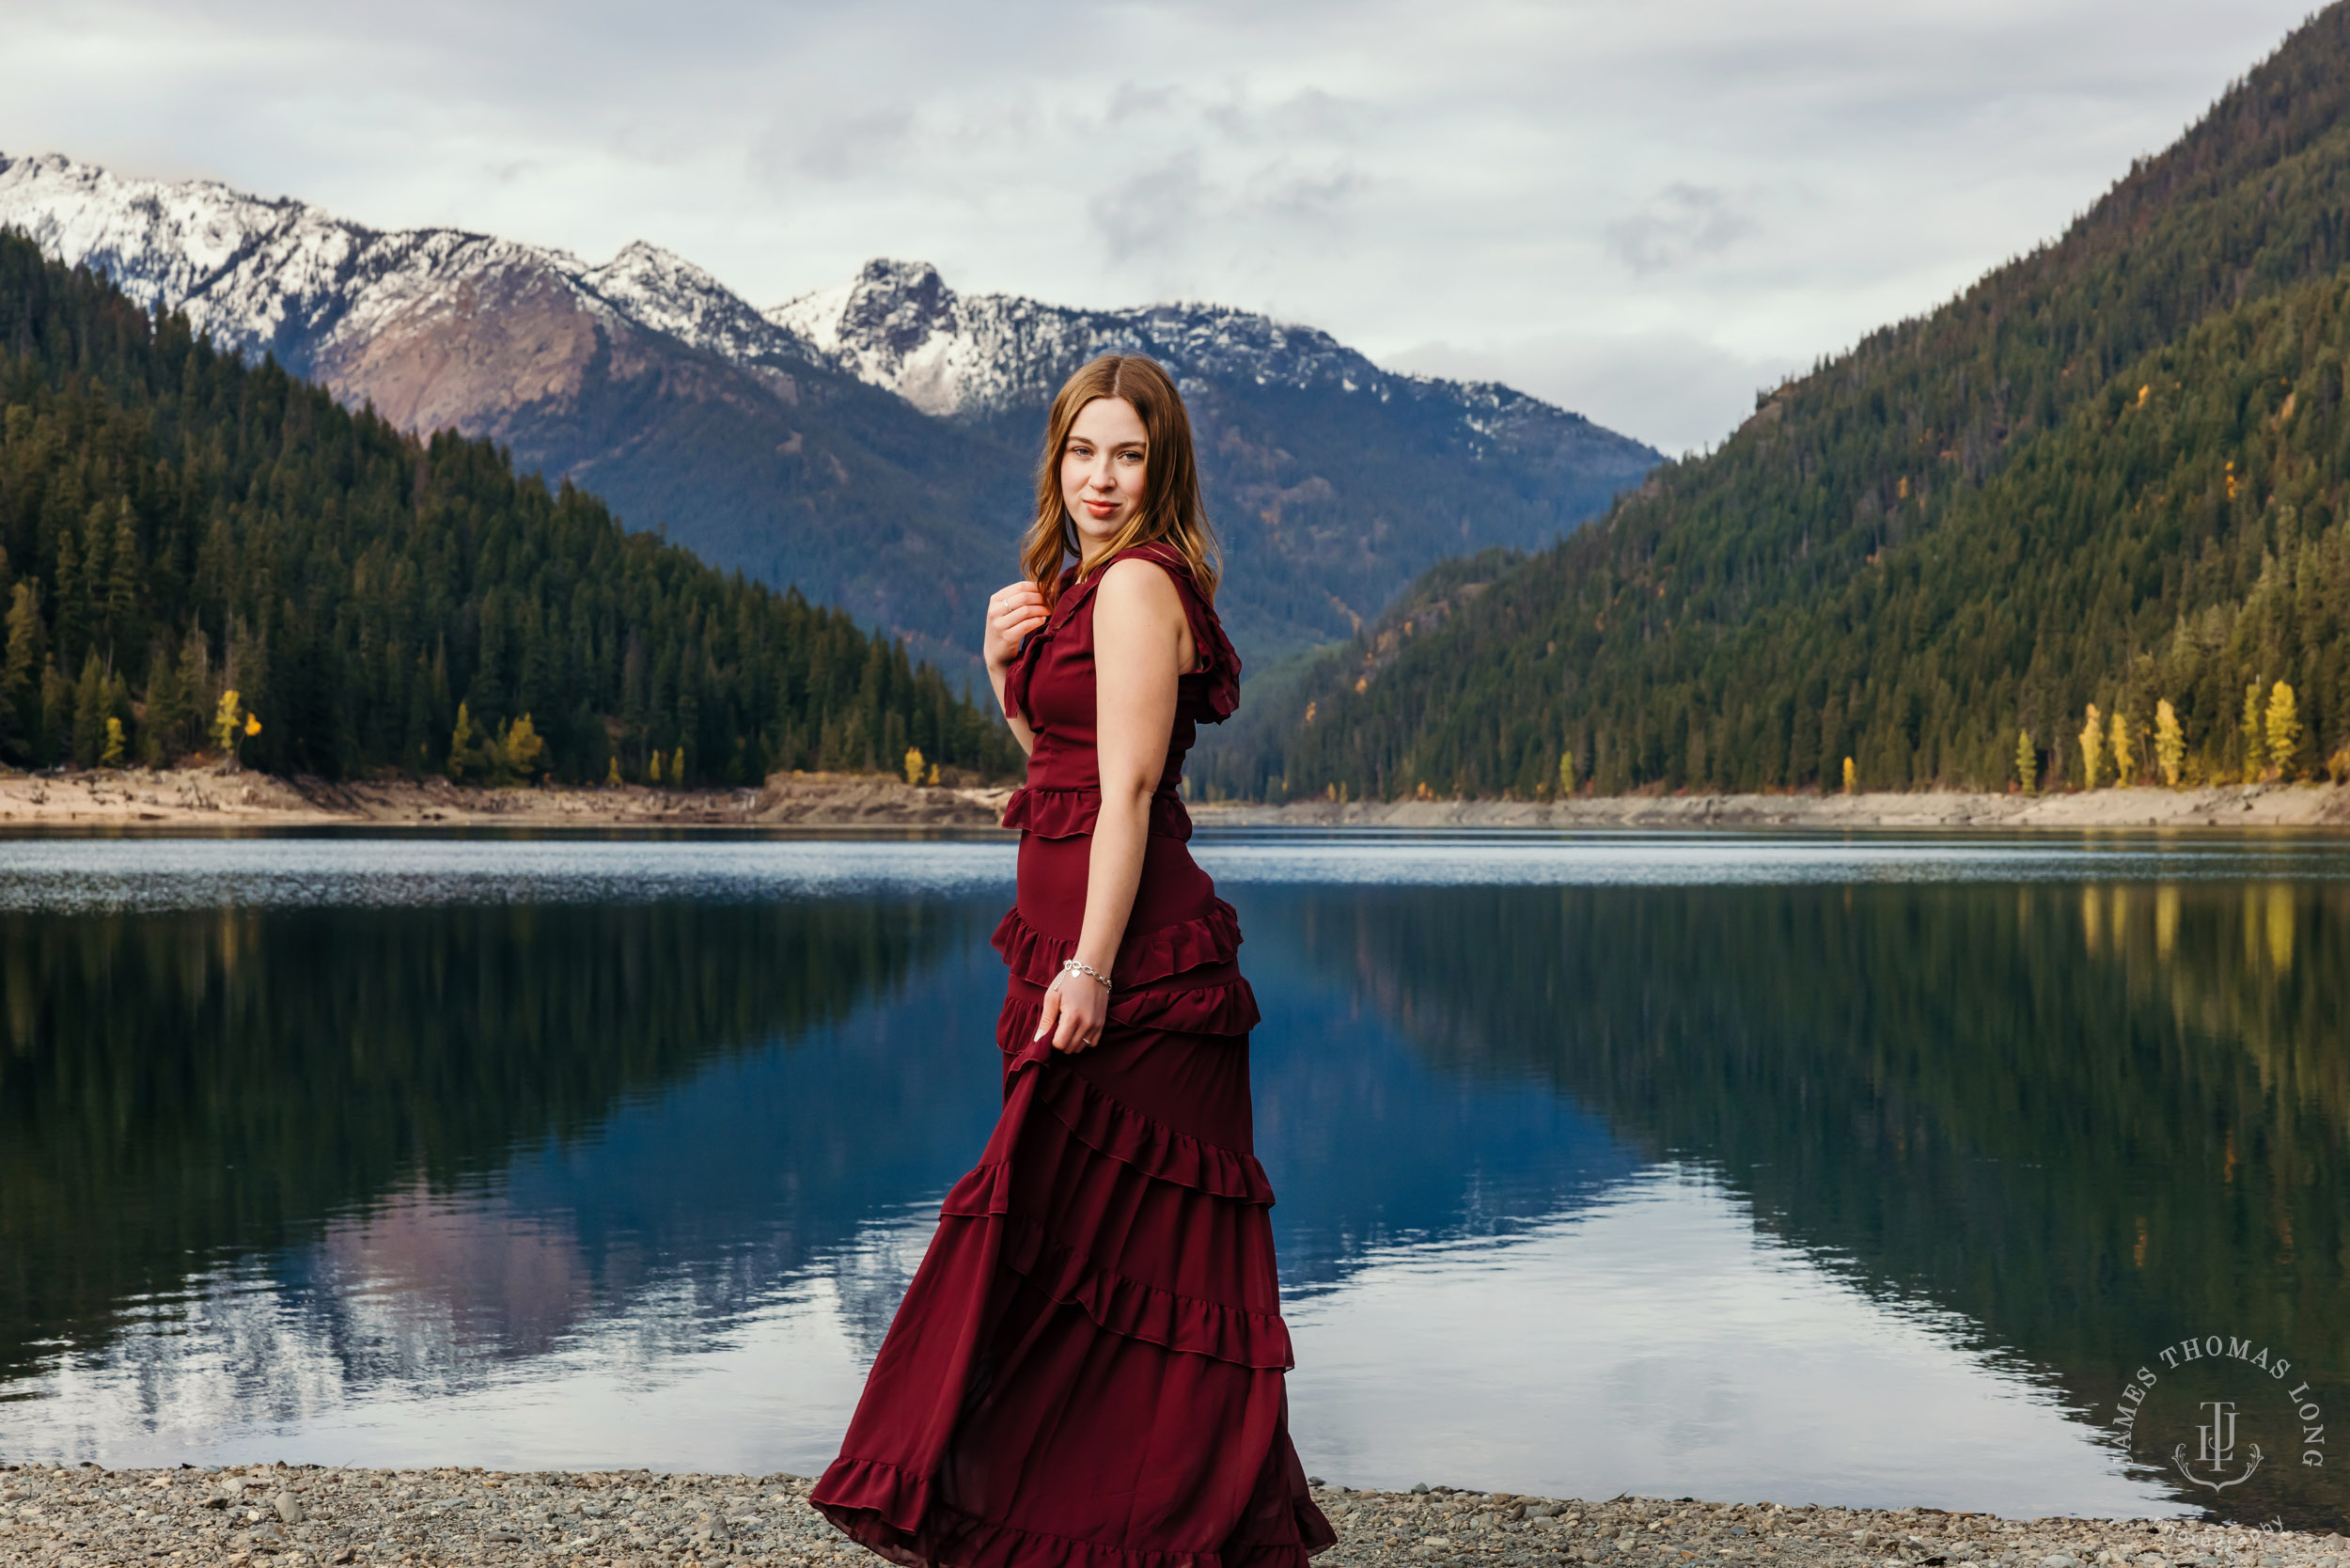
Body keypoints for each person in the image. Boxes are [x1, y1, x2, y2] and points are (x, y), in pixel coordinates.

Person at [810, 353, 1334, 1568]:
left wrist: (1093, 969)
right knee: (1070, 1249)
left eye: (1129, 455)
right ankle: (1099, 1519)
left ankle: (1161, 1518)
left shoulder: (1144, 588)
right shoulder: (1075, 588)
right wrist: (1005, 674)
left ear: (1163, 470)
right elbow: (1054, 764)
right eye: (1082, 452)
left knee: (1125, 1258)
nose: (1101, 477)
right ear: (1057, 461)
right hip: (1060, 956)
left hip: (1138, 972)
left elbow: (1130, 788)